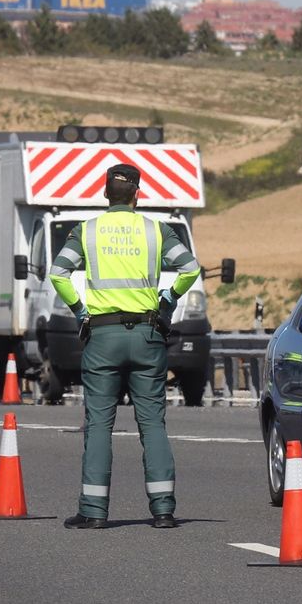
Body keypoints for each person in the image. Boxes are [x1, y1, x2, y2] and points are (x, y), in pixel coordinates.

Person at [48, 163, 201, 529]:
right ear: (137, 194)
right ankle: (163, 510)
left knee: (99, 424)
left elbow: (58, 274)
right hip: (147, 336)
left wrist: (80, 311)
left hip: (103, 337)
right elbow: (191, 269)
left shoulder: (86, 231)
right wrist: (168, 300)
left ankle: (94, 511)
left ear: (105, 194)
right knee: (153, 423)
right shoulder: (156, 230)